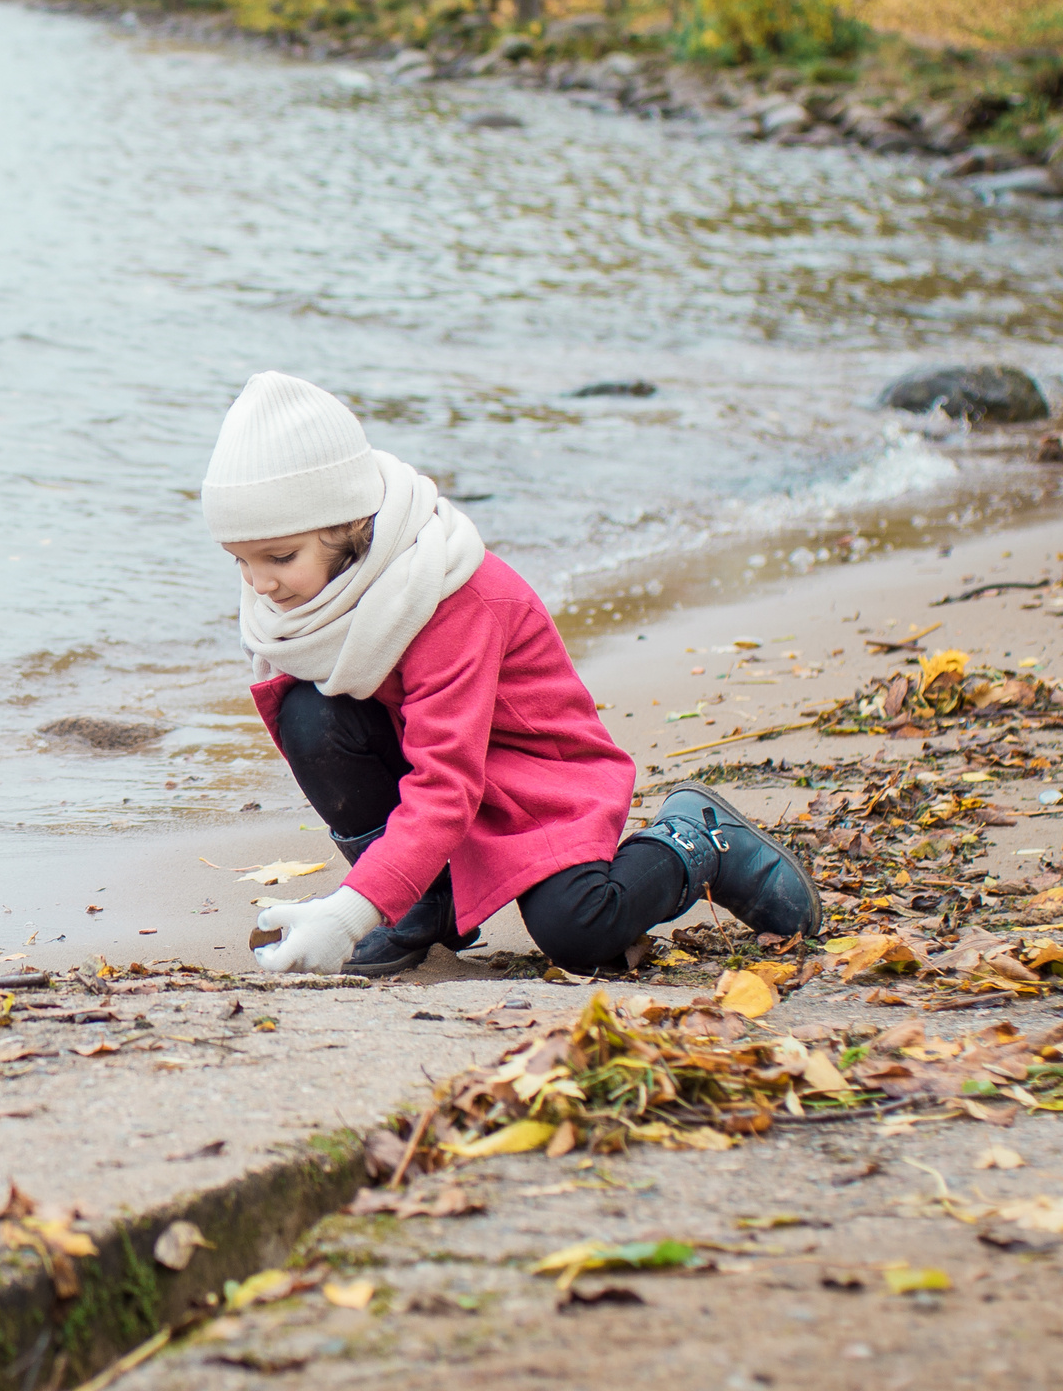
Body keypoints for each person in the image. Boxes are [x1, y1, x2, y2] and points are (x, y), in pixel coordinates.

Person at [205, 372, 821, 977]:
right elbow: (412, 764)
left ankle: (696, 838)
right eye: (242, 562)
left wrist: (348, 913)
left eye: (281, 558)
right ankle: (423, 904)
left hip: (533, 774)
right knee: (310, 712)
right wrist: (382, 895)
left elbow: (447, 785)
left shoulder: (447, 595)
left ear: (346, 526)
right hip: (431, 756)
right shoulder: (312, 599)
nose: (260, 584)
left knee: (578, 930)